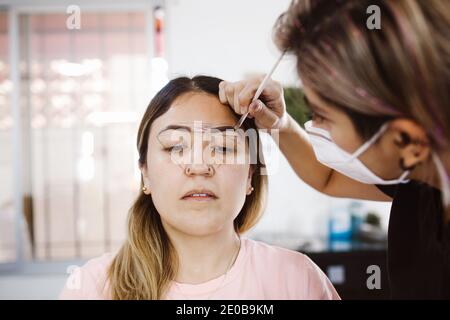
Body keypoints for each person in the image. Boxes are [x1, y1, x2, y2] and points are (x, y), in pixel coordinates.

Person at [219, 0, 450, 299]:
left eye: (323, 116)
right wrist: (281, 124)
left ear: (406, 140)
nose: (314, 125)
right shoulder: (420, 182)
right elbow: (327, 176)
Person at [59, 76, 339, 300]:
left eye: (223, 148)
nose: (200, 166)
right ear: (145, 174)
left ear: (250, 177)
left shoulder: (297, 279)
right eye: (175, 147)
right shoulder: (93, 287)